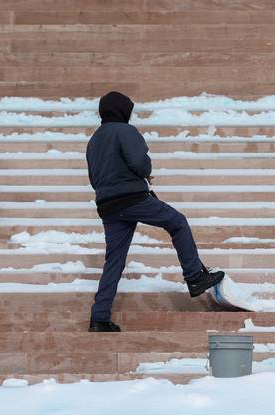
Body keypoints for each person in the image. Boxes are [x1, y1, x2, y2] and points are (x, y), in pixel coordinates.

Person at [86, 91, 225, 332]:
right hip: (131, 199)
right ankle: (195, 277)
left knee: (114, 262)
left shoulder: (94, 140)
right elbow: (140, 163)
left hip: (108, 206)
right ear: (122, 110)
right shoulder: (126, 131)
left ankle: (99, 317)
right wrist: (144, 173)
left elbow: (94, 177)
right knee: (177, 222)